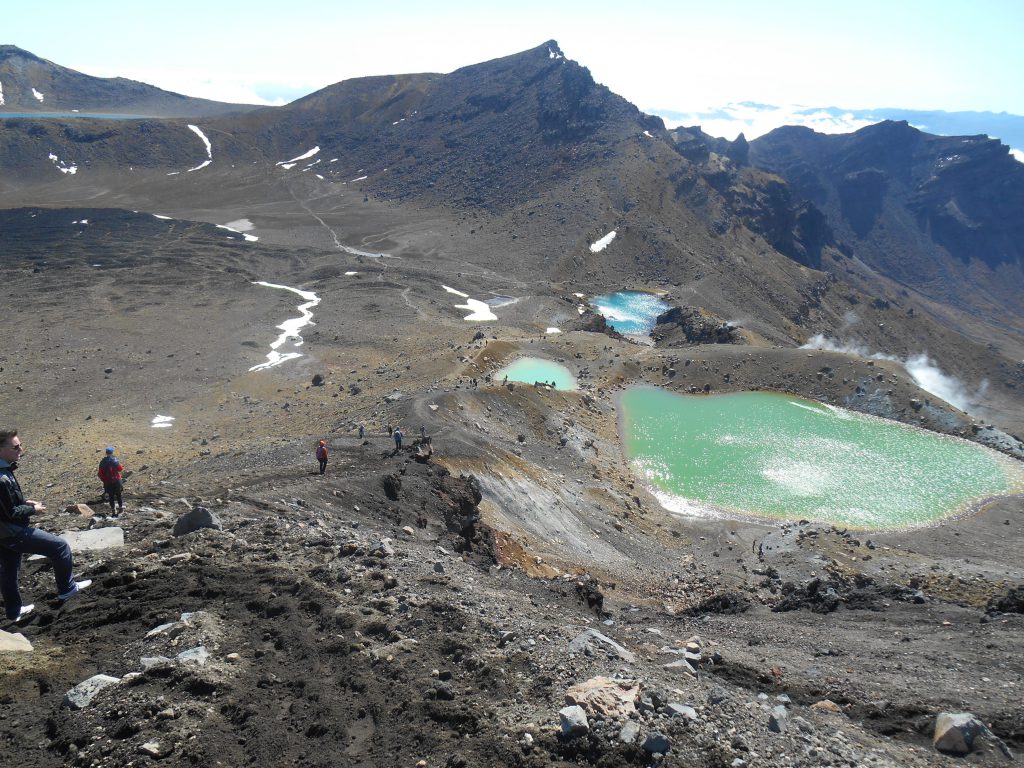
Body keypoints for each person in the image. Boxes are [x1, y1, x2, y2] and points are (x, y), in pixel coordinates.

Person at [1, 430, 91, 620]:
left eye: (20, 445)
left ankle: (13, 612)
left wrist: (25, 503)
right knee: (60, 547)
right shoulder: (1, 477)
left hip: (4, 534)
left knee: (9, 571)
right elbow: (10, 513)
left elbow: (6, 506)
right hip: (12, 532)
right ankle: (67, 589)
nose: (20, 449)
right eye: (15, 447)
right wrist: (34, 510)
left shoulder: (5, 470)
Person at [97, 446, 124, 514]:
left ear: (106, 453)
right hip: (116, 480)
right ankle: (120, 508)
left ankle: (113, 510)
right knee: (118, 495)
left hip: (108, 482)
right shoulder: (115, 460)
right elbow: (120, 469)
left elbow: (100, 474)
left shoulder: (102, 462)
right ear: (112, 453)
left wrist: (104, 480)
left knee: (111, 496)